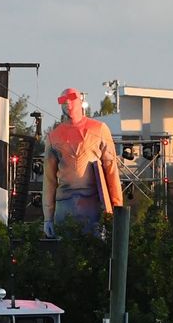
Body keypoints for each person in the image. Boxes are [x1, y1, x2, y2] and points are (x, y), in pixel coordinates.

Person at [43, 87, 123, 237]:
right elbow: (49, 181)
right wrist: (48, 217)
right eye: (63, 101)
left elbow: (111, 171)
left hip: (93, 204)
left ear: (80, 101)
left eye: (72, 99)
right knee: (67, 252)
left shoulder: (99, 129)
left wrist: (117, 208)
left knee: (94, 250)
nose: (68, 104)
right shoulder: (53, 137)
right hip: (65, 205)